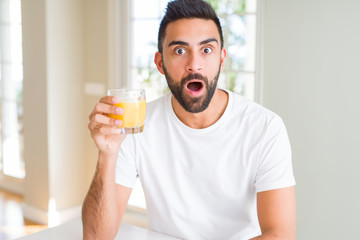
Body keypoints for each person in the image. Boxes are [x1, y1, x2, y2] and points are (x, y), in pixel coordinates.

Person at [82, 0, 296, 239]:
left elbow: (280, 235)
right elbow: (96, 236)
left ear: (221, 59)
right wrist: (107, 154)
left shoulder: (265, 128)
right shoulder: (135, 127)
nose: (195, 65)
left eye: (206, 50)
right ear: (160, 63)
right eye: (180, 51)